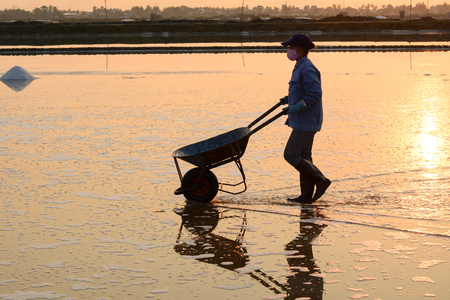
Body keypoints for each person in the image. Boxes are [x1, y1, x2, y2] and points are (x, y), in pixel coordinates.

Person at [280, 33, 331, 203]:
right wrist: (289, 100)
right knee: (304, 157)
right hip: (302, 120)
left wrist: (298, 106)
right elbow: (302, 90)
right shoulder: (300, 66)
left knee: (291, 154)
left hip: (306, 121)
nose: (288, 50)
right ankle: (306, 196)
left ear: (300, 50)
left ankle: (320, 180)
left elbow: (315, 93)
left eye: (291, 47)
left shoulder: (307, 67)